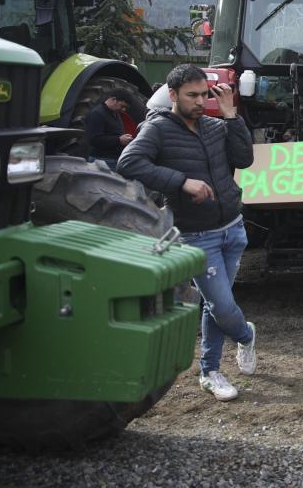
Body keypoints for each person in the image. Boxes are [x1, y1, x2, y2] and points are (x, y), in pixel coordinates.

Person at [117, 64, 257, 402]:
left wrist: (231, 117)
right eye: (192, 95)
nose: (199, 101)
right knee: (222, 305)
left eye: (203, 94)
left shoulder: (214, 126)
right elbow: (128, 163)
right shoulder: (159, 130)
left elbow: (245, 158)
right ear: (173, 93)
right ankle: (245, 333)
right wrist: (181, 182)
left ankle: (210, 370)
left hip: (232, 229)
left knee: (213, 304)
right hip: (197, 236)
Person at [83, 88, 134, 171]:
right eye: (122, 106)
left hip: (110, 160)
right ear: (113, 99)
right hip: (101, 161)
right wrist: (119, 140)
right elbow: (93, 139)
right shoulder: (97, 114)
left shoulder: (115, 113)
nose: (123, 110)